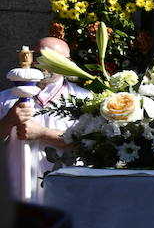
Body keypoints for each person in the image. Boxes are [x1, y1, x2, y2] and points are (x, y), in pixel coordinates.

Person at [0, 37, 91, 202]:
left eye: (51, 59)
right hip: (15, 195)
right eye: (38, 57)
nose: (41, 63)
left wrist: (42, 133)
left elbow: (89, 144)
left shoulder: (84, 99)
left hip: (66, 193)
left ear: (68, 63)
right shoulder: (5, 99)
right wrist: (8, 121)